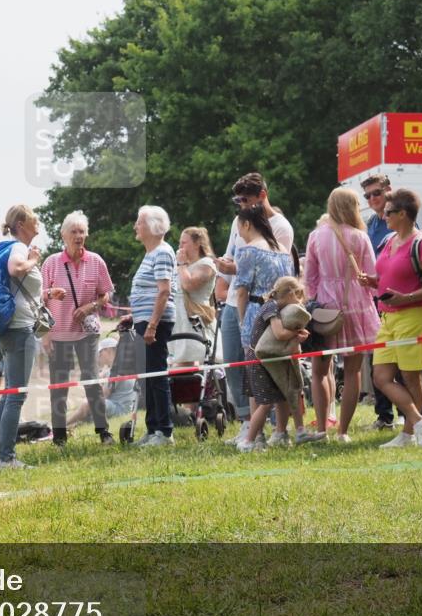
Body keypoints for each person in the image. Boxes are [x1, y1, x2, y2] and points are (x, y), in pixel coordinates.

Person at [358, 189, 422, 448]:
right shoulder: (389, 240)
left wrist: (406, 298)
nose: (384, 216)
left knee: (411, 377)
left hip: (413, 316)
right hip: (388, 317)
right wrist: (373, 281)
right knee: (381, 377)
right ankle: (419, 422)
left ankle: (409, 434)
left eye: (389, 212)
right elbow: (388, 275)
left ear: (403, 214)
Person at [216, 172, 295, 445]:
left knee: (261, 373)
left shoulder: (280, 227)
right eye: (238, 201)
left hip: (256, 308)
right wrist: (225, 273)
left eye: (245, 200)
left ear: (262, 196)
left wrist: (236, 270)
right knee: (240, 367)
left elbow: (272, 273)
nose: (241, 205)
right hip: (239, 303)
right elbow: (232, 257)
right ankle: (250, 426)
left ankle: (266, 430)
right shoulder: (240, 222)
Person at [304, 188, 380, 442]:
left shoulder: (316, 236)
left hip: (325, 308)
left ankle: (321, 429)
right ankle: (343, 431)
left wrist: (313, 302)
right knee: (352, 371)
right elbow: (372, 275)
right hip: (356, 305)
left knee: (319, 370)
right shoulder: (360, 236)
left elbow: (309, 278)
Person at [40, 210, 115, 446]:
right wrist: (45, 335)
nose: (78, 236)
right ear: (64, 235)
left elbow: (106, 294)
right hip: (58, 333)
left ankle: (104, 431)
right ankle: (59, 437)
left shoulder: (95, 261)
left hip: (86, 332)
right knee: (59, 383)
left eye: (82, 231)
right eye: (73, 231)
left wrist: (90, 306)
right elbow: (38, 299)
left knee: (91, 378)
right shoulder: (51, 263)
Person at [0, 205, 46, 469]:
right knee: (17, 395)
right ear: (20, 224)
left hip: (12, 327)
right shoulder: (19, 248)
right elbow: (16, 269)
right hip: (20, 329)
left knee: (10, 393)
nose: (37, 222)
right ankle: (7, 458)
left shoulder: (13, 246)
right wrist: (33, 259)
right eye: (33, 218)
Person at [231, 204, 299, 447]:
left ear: (247, 224)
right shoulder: (282, 250)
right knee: (281, 372)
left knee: (256, 379)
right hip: (281, 314)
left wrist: (242, 321)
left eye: (239, 227)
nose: (239, 233)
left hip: (256, 315)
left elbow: (241, 292)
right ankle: (281, 432)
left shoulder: (248, 251)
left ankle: (257, 435)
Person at [123, 205, 177, 448]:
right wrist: (135, 317)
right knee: (148, 377)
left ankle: (164, 431)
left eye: (140, 222)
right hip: (145, 321)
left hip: (156, 323)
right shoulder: (152, 253)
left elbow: (164, 291)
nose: (135, 226)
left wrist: (152, 325)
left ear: (154, 227)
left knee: (156, 375)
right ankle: (153, 428)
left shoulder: (162, 252)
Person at [239, 277, 312, 452]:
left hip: (266, 360)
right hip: (258, 361)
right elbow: (279, 333)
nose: (299, 302)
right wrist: (297, 332)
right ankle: (248, 441)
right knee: (265, 403)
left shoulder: (275, 308)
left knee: (280, 397)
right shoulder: (270, 307)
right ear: (291, 293)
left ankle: (279, 435)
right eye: (298, 296)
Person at [170, 227, 217, 366]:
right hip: (179, 321)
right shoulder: (181, 266)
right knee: (179, 363)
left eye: (184, 243)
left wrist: (181, 264)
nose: (180, 246)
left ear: (197, 244)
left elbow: (189, 285)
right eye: (179, 243)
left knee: (192, 361)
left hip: (195, 321)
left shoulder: (206, 264)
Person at [67, 337, 138, 427]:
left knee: (88, 403)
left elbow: (104, 394)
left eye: (100, 352)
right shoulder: (118, 366)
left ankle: (64, 424)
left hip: (120, 408)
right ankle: (73, 424)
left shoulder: (116, 370)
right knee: (90, 403)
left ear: (108, 351)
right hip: (119, 405)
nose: (98, 356)